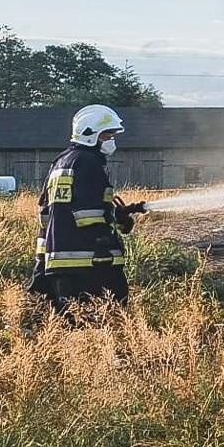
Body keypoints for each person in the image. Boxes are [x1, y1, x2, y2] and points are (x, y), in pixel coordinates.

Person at [34, 105, 138, 315]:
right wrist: (114, 226)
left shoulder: (61, 162)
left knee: (69, 321)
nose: (111, 140)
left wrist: (41, 262)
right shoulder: (88, 163)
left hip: (59, 262)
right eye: (107, 135)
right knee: (109, 319)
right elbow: (88, 214)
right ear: (91, 135)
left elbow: (49, 215)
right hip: (92, 263)